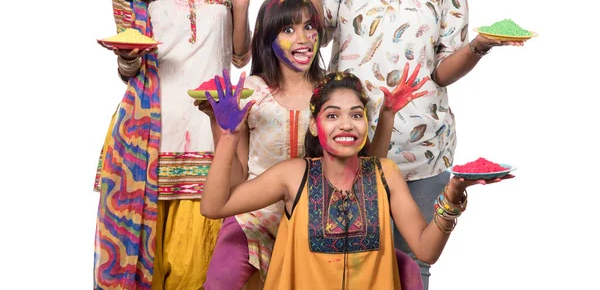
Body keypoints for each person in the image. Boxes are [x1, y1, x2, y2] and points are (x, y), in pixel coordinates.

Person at [297, 0, 525, 289]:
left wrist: (479, 45)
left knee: (410, 267)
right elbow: (314, 33)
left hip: (419, 149)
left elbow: (440, 71)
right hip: (347, 143)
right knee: (339, 267)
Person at [93, 0, 262, 290]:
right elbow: (127, 71)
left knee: (196, 270)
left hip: (211, 136)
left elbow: (241, 57)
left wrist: (240, 4)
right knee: (142, 268)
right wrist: (129, 56)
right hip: (145, 142)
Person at [201, 71, 511, 290]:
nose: (346, 125)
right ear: (314, 125)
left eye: (357, 115)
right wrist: (228, 137)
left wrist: (453, 196)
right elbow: (215, 206)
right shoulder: (294, 175)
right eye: (333, 116)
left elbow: (426, 250)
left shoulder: (384, 172)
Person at [201, 0, 425, 290]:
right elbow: (238, 174)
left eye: (310, 27)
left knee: (406, 267)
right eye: (289, 29)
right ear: (268, 36)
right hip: (256, 219)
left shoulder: (333, 92)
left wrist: (387, 115)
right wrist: (219, 126)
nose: (304, 37)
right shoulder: (250, 94)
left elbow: (370, 168)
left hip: (319, 220)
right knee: (221, 278)